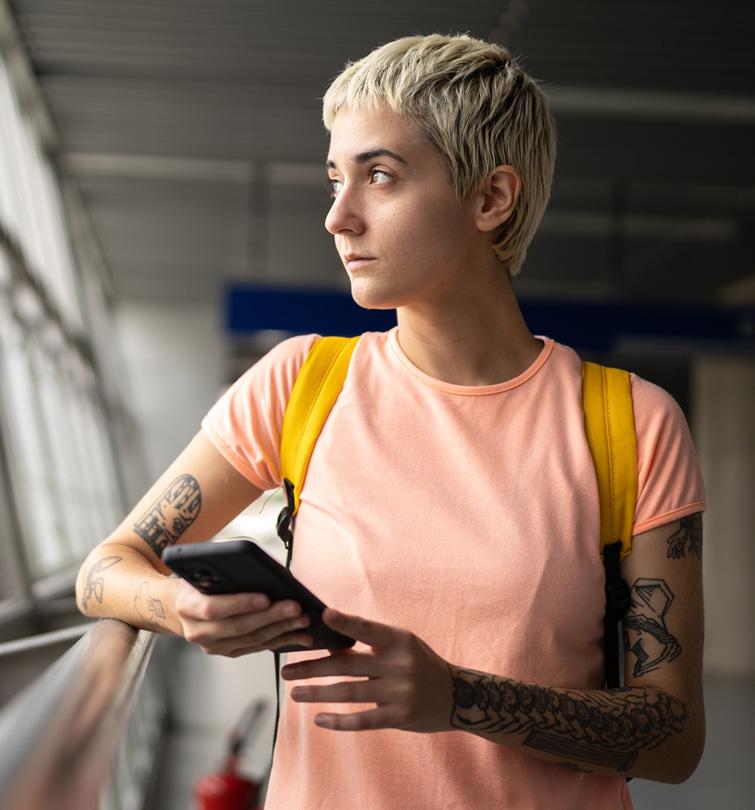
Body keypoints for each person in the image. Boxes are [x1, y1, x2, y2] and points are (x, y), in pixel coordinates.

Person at [76, 33, 705, 809]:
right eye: (335, 178)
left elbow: (672, 739)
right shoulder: (301, 383)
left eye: (380, 176)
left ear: (489, 199)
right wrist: (183, 607)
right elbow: (105, 569)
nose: (339, 217)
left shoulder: (630, 421)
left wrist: (458, 697)